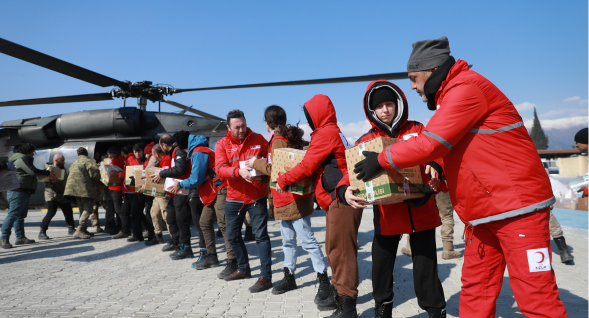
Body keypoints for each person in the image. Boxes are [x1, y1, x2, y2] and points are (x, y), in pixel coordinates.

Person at [353, 36, 567, 317]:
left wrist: (381, 159)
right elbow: (460, 151)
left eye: (414, 78)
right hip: (484, 214)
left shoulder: (466, 88)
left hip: (517, 211)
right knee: (476, 293)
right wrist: (440, 176)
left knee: (535, 297)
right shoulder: (451, 96)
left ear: (431, 70)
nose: (413, 86)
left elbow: (431, 143)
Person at [345, 81, 446, 318]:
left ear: (398, 104)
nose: (385, 110)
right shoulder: (365, 140)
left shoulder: (418, 129)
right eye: (379, 106)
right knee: (381, 265)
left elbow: (439, 151)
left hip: (421, 208)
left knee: (426, 266)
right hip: (387, 214)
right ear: (372, 111)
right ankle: (383, 308)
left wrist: (435, 164)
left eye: (389, 104)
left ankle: (435, 310)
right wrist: (344, 190)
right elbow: (349, 171)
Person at [276, 95, 362, 317]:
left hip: (341, 199)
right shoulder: (333, 131)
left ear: (316, 116)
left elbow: (307, 166)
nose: (308, 121)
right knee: (334, 251)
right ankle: (338, 293)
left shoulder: (325, 133)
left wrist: (283, 179)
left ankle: (347, 308)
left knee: (341, 253)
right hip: (338, 198)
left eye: (309, 117)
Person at [245, 105, 331, 300]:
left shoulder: (277, 140)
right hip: (291, 198)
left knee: (305, 240)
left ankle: (323, 278)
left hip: (288, 198)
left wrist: (255, 164)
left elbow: (277, 170)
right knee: (288, 241)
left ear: (267, 123)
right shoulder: (289, 137)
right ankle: (289, 275)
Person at [215, 109, 273, 293]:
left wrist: (261, 170)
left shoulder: (259, 139)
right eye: (237, 127)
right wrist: (237, 172)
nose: (241, 130)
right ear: (229, 127)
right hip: (233, 197)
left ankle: (266, 277)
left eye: (243, 125)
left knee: (261, 236)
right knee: (232, 236)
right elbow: (219, 169)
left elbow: (270, 163)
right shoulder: (222, 144)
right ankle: (243, 268)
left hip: (257, 196)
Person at [168, 134, 232, 271]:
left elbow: (196, 179)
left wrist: (180, 184)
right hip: (213, 191)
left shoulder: (198, 152)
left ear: (181, 147)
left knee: (223, 224)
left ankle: (233, 261)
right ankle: (211, 256)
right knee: (204, 222)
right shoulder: (199, 150)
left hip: (220, 189)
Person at [1, 143, 55, 248]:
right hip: (18, 191)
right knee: (13, 215)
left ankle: (20, 237)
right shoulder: (23, 159)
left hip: (21, 190)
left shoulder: (19, 159)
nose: (33, 155)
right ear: (27, 152)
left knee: (20, 216)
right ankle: (3, 238)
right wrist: (48, 173)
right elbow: (32, 171)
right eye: (32, 152)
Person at [166, 132, 209, 262]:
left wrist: (179, 183)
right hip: (189, 188)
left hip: (195, 188)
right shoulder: (194, 149)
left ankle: (206, 252)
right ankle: (188, 248)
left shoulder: (197, 151)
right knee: (183, 219)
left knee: (201, 222)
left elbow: (193, 176)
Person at [151, 133, 194, 259]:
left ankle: (186, 247)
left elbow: (181, 169)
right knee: (171, 217)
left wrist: (162, 173)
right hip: (175, 191)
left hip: (182, 189)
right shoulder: (174, 153)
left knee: (181, 220)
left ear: (164, 145)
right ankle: (176, 242)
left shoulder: (178, 152)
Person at [401, 191, 463, 260]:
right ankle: (448, 249)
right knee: (446, 215)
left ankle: (410, 246)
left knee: (419, 212)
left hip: (427, 185)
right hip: (442, 184)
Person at [64, 147, 101, 239]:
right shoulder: (89, 161)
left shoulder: (74, 163)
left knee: (82, 208)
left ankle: (83, 229)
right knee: (88, 209)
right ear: (86, 153)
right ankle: (79, 229)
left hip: (73, 190)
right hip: (85, 189)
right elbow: (94, 174)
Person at [39, 154, 75, 239]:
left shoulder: (62, 168)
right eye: (62, 160)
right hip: (51, 195)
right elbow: (46, 183)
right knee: (51, 212)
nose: (64, 162)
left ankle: (71, 228)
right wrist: (52, 182)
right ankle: (42, 232)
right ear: (56, 161)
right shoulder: (49, 169)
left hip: (62, 195)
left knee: (68, 211)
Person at [126, 143, 155, 244]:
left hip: (148, 190)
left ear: (143, 152)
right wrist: (127, 182)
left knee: (149, 213)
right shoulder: (132, 161)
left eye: (139, 151)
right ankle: (137, 235)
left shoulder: (148, 161)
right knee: (134, 212)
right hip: (137, 191)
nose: (137, 153)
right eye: (135, 152)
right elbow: (128, 176)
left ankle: (152, 235)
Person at [147, 144, 171, 244]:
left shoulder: (167, 160)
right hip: (158, 191)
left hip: (165, 191)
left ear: (156, 154)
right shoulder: (162, 160)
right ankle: (158, 236)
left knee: (166, 214)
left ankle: (174, 238)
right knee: (154, 213)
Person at [107, 147, 127, 236]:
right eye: (108, 154)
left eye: (111, 154)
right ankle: (121, 228)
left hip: (115, 188)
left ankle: (123, 229)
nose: (109, 156)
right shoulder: (122, 160)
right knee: (118, 209)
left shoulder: (115, 161)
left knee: (118, 209)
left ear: (116, 153)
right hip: (119, 188)